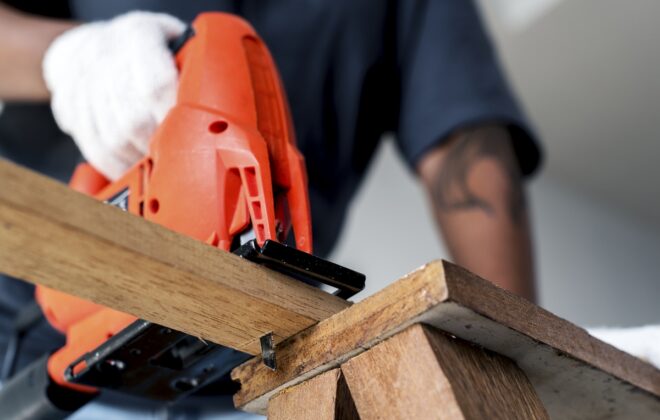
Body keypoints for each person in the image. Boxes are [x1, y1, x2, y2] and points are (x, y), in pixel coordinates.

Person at [0, 0, 541, 418]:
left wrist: (514, 356)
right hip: (36, 349)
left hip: (263, 372)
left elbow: (468, 147)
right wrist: (67, 56)